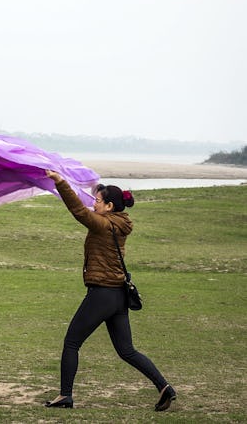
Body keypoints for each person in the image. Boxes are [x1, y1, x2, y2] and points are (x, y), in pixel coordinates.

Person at [43, 170, 176, 411]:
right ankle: (164, 387)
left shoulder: (102, 225)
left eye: (97, 201)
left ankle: (65, 396)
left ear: (109, 206)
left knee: (71, 343)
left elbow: (79, 211)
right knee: (127, 350)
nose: (93, 204)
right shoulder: (118, 224)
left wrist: (61, 182)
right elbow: (87, 209)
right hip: (118, 297)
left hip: (102, 294)